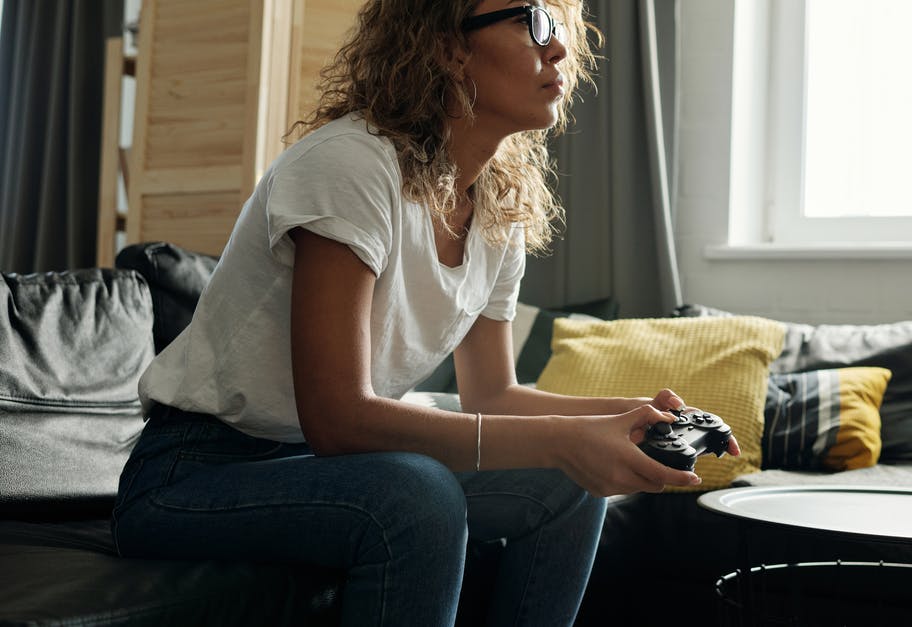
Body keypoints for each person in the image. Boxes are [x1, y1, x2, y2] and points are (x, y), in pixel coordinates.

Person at [110, 1, 739, 625]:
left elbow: (492, 396)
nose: (561, 49)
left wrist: (628, 416)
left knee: (566, 485)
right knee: (419, 495)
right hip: (194, 473)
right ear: (446, 45)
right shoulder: (349, 165)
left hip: (324, 466)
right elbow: (337, 418)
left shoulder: (494, 206)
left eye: (560, 26)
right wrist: (563, 437)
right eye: (533, 23)